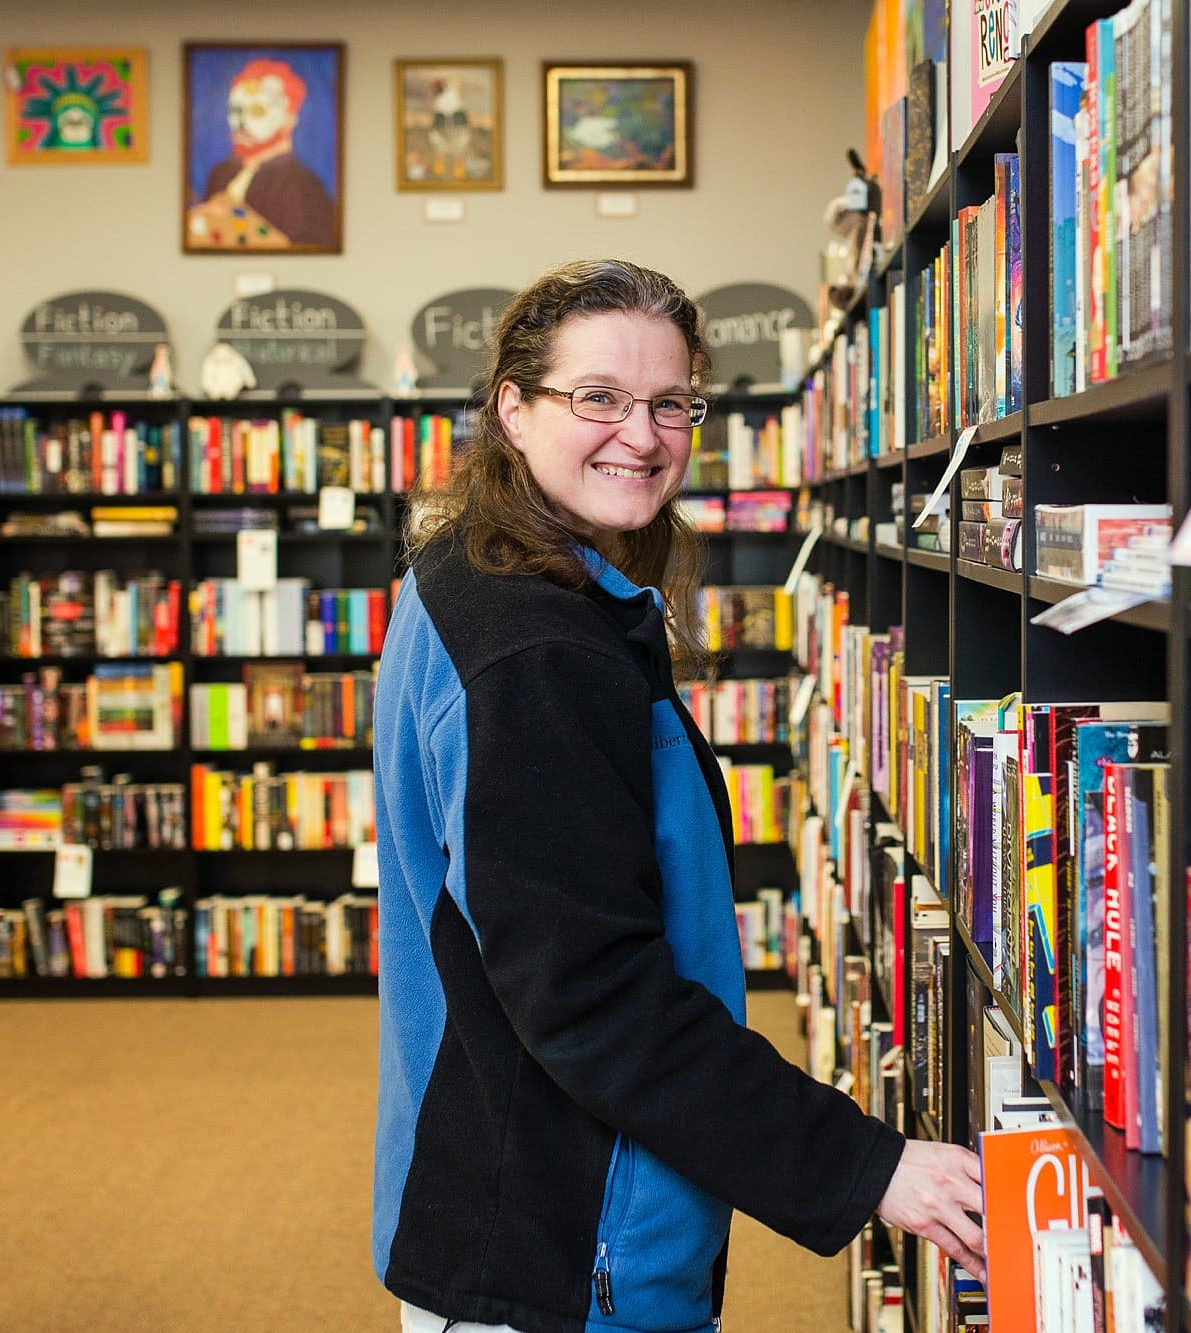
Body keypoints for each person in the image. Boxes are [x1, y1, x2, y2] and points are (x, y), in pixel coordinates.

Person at [372, 259, 985, 1333]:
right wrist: (861, 1165)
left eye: (670, 404)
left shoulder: (477, 571)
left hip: (499, 1177)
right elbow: (590, 991)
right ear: (512, 408)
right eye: (596, 397)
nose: (642, 435)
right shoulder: (531, 649)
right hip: (561, 1236)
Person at [188, 58, 336, 249]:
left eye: (257, 111)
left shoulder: (305, 187)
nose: (240, 124)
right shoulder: (220, 174)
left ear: (289, 118)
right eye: (235, 111)